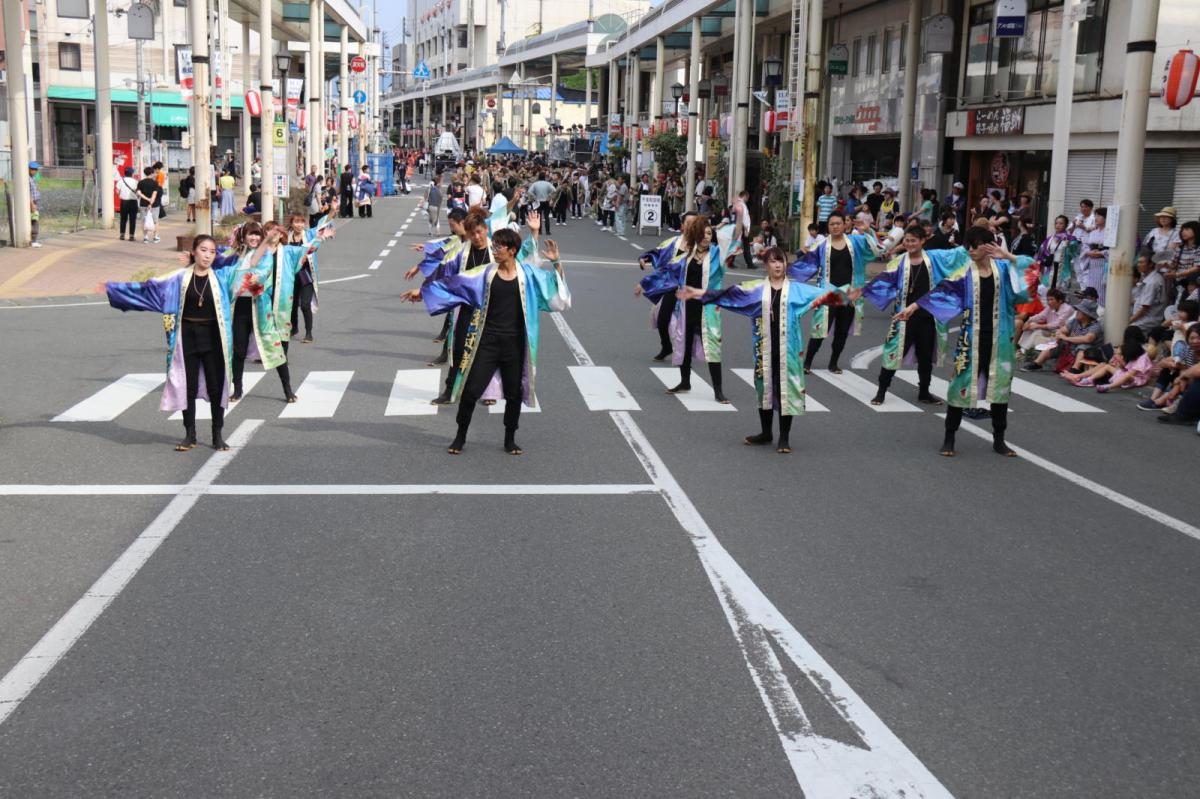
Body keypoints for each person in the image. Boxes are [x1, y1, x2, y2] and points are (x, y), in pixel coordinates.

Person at [405, 227, 569, 455]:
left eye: (499, 247)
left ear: (512, 250)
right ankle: (460, 436)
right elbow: (454, 284)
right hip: (487, 342)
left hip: (514, 345)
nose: (494, 250)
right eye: (495, 246)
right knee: (471, 390)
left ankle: (510, 438)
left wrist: (557, 262)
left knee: (513, 394)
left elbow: (554, 292)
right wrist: (422, 292)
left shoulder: (528, 275)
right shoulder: (486, 273)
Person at [104, 234, 271, 451]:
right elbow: (150, 289)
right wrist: (113, 290)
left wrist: (266, 243)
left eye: (212, 251)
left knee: (215, 386)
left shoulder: (223, 277)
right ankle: (189, 434)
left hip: (214, 337)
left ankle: (217, 434)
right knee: (187, 386)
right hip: (187, 337)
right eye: (203, 250)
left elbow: (249, 269)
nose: (208, 255)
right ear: (193, 252)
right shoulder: (179, 278)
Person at [679, 247, 845, 453]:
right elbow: (731, 294)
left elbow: (829, 294)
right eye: (773, 261)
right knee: (764, 388)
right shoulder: (756, 288)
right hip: (764, 348)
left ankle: (784, 438)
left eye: (781, 261)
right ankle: (766, 432)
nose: (778, 265)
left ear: (786, 264)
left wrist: (857, 293)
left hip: (789, 351)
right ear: (766, 265)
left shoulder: (798, 289)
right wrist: (700, 293)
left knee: (787, 390)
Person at [895, 226, 1038, 457]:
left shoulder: (1003, 269)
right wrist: (912, 307)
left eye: (976, 245)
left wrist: (1009, 256)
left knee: (1000, 391)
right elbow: (940, 292)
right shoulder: (964, 274)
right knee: (959, 389)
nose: (971, 250)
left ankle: (999, 439)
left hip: (1000, 340)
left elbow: (1032, 272)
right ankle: (949, 438)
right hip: (970, 340)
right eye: (968, 245)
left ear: (988, 245)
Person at [861, 224, 968, 405]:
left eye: (913, 241)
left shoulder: (935, 258)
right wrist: (862, 291)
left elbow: (959, 254)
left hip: (928, 317)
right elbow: (883, 279)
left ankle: (924, 392)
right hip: (903, 317)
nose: (909, 244)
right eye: (907, 241)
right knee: (892, 355)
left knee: (925, 357)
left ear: (923, 241)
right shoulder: (899, 261)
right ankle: (881, 392)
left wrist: (976, 238)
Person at [639, 215, 739, 401]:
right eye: (703, 233)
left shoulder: (718, 254)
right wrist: (644, 276)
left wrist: (740, 215)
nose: (707, 237)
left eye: (710, 233)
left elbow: (736, 235)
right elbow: (666, 271)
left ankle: (718, 390)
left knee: (713, 348)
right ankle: (685, 382)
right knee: (683, 344)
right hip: (686, 307)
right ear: (695, 234)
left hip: (708, 308)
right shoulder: (687, 256)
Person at [791, 211, 885, 374]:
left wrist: (868, 231)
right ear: (828, 227)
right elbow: (807, 263)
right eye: (832, 224)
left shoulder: (855, 241)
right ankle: (807, 363)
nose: (835, 226)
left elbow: (877, 251)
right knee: (819, 331)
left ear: (845, 225)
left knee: (842, 331)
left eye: (838, 223)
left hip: (849, 294)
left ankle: (833, 363)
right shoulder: (822, 245)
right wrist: (784, 267)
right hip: (829, 294)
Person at [638, 211, 699, 361]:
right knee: (662, 319)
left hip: (693, 289)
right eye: (688, 223)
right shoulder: (673, 243)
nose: (691, 227)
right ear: (682, 226)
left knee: (691, 324)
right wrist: (644, 258)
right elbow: (657, 253)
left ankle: (687, 352)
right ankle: (666, 346)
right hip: (672, 286)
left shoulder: (702, 246)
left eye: (695, 224)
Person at [1022, 298, 1103, 373]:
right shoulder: (1075, 321)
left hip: (1088, 352)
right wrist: (1060, 335)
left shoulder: (1095, 326)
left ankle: (1075, 369)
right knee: (1054, 343)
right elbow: (1062, 330)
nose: (1077, 312)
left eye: (1080, 311)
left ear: (1087, 314)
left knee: (1083, 347)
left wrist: (1066, 338)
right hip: (1072, 348)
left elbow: (1087, 339)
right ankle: (1037, 363)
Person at [1062, 326, 1153, 392]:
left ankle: (1103, 385)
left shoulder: (1142, 355)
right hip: (1127, 375)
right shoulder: (1132, 350)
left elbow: (1131, 373)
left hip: (1135, 379)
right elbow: (1125, 367)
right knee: (1104, 365)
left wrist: (1119, 361)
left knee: (1114, 370)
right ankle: (1080, 377)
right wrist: (1117, 362)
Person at [1016, 288, 1074, 355]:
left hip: (1060, 333)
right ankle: (1021, 348)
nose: (1049, 302)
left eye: (1051, 299)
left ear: (1060, 301)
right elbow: (1040, 316)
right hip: (1050, 330)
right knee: (1031, 325)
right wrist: (1028, 321)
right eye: (1048, 300)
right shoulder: (1050, 307)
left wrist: (1038, 326)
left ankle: (1024, 351)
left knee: (1037, 331)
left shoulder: (1067, 309)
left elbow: (1057, 324)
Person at [1130, 251, 1170, 338]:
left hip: (1148, 321)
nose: (1138, 265)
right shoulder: (1147, 277)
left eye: (1141, 262)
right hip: (1143, 319)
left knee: (1128, 331)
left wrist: (1129, 321)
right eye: (1138, 262)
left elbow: (1144, 309)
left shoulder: (1152, 282)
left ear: (1150, 264)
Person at [136, 167, 162, 244]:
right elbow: (154, 194)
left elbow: (139, 193)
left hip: (143, 204)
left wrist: (147, 199)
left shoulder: (141, 182)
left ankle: (145, 237)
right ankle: (155, 237)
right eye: (154, 173)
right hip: (154, 205)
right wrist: (150, 203)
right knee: (155, 221)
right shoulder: (155, 183)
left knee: (144, 221)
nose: (154, 174)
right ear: (151, 173)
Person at [117, 166, 140, 241]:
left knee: (123, 219)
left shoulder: (121, 181)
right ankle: (131, 236)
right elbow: (138, 192)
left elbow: (117, 191)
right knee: (132, 219)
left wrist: (122, 194)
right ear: (132, 173)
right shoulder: (135, 181)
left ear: (125, 173)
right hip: (133, 202)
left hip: (124, 202)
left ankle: (122, 235)